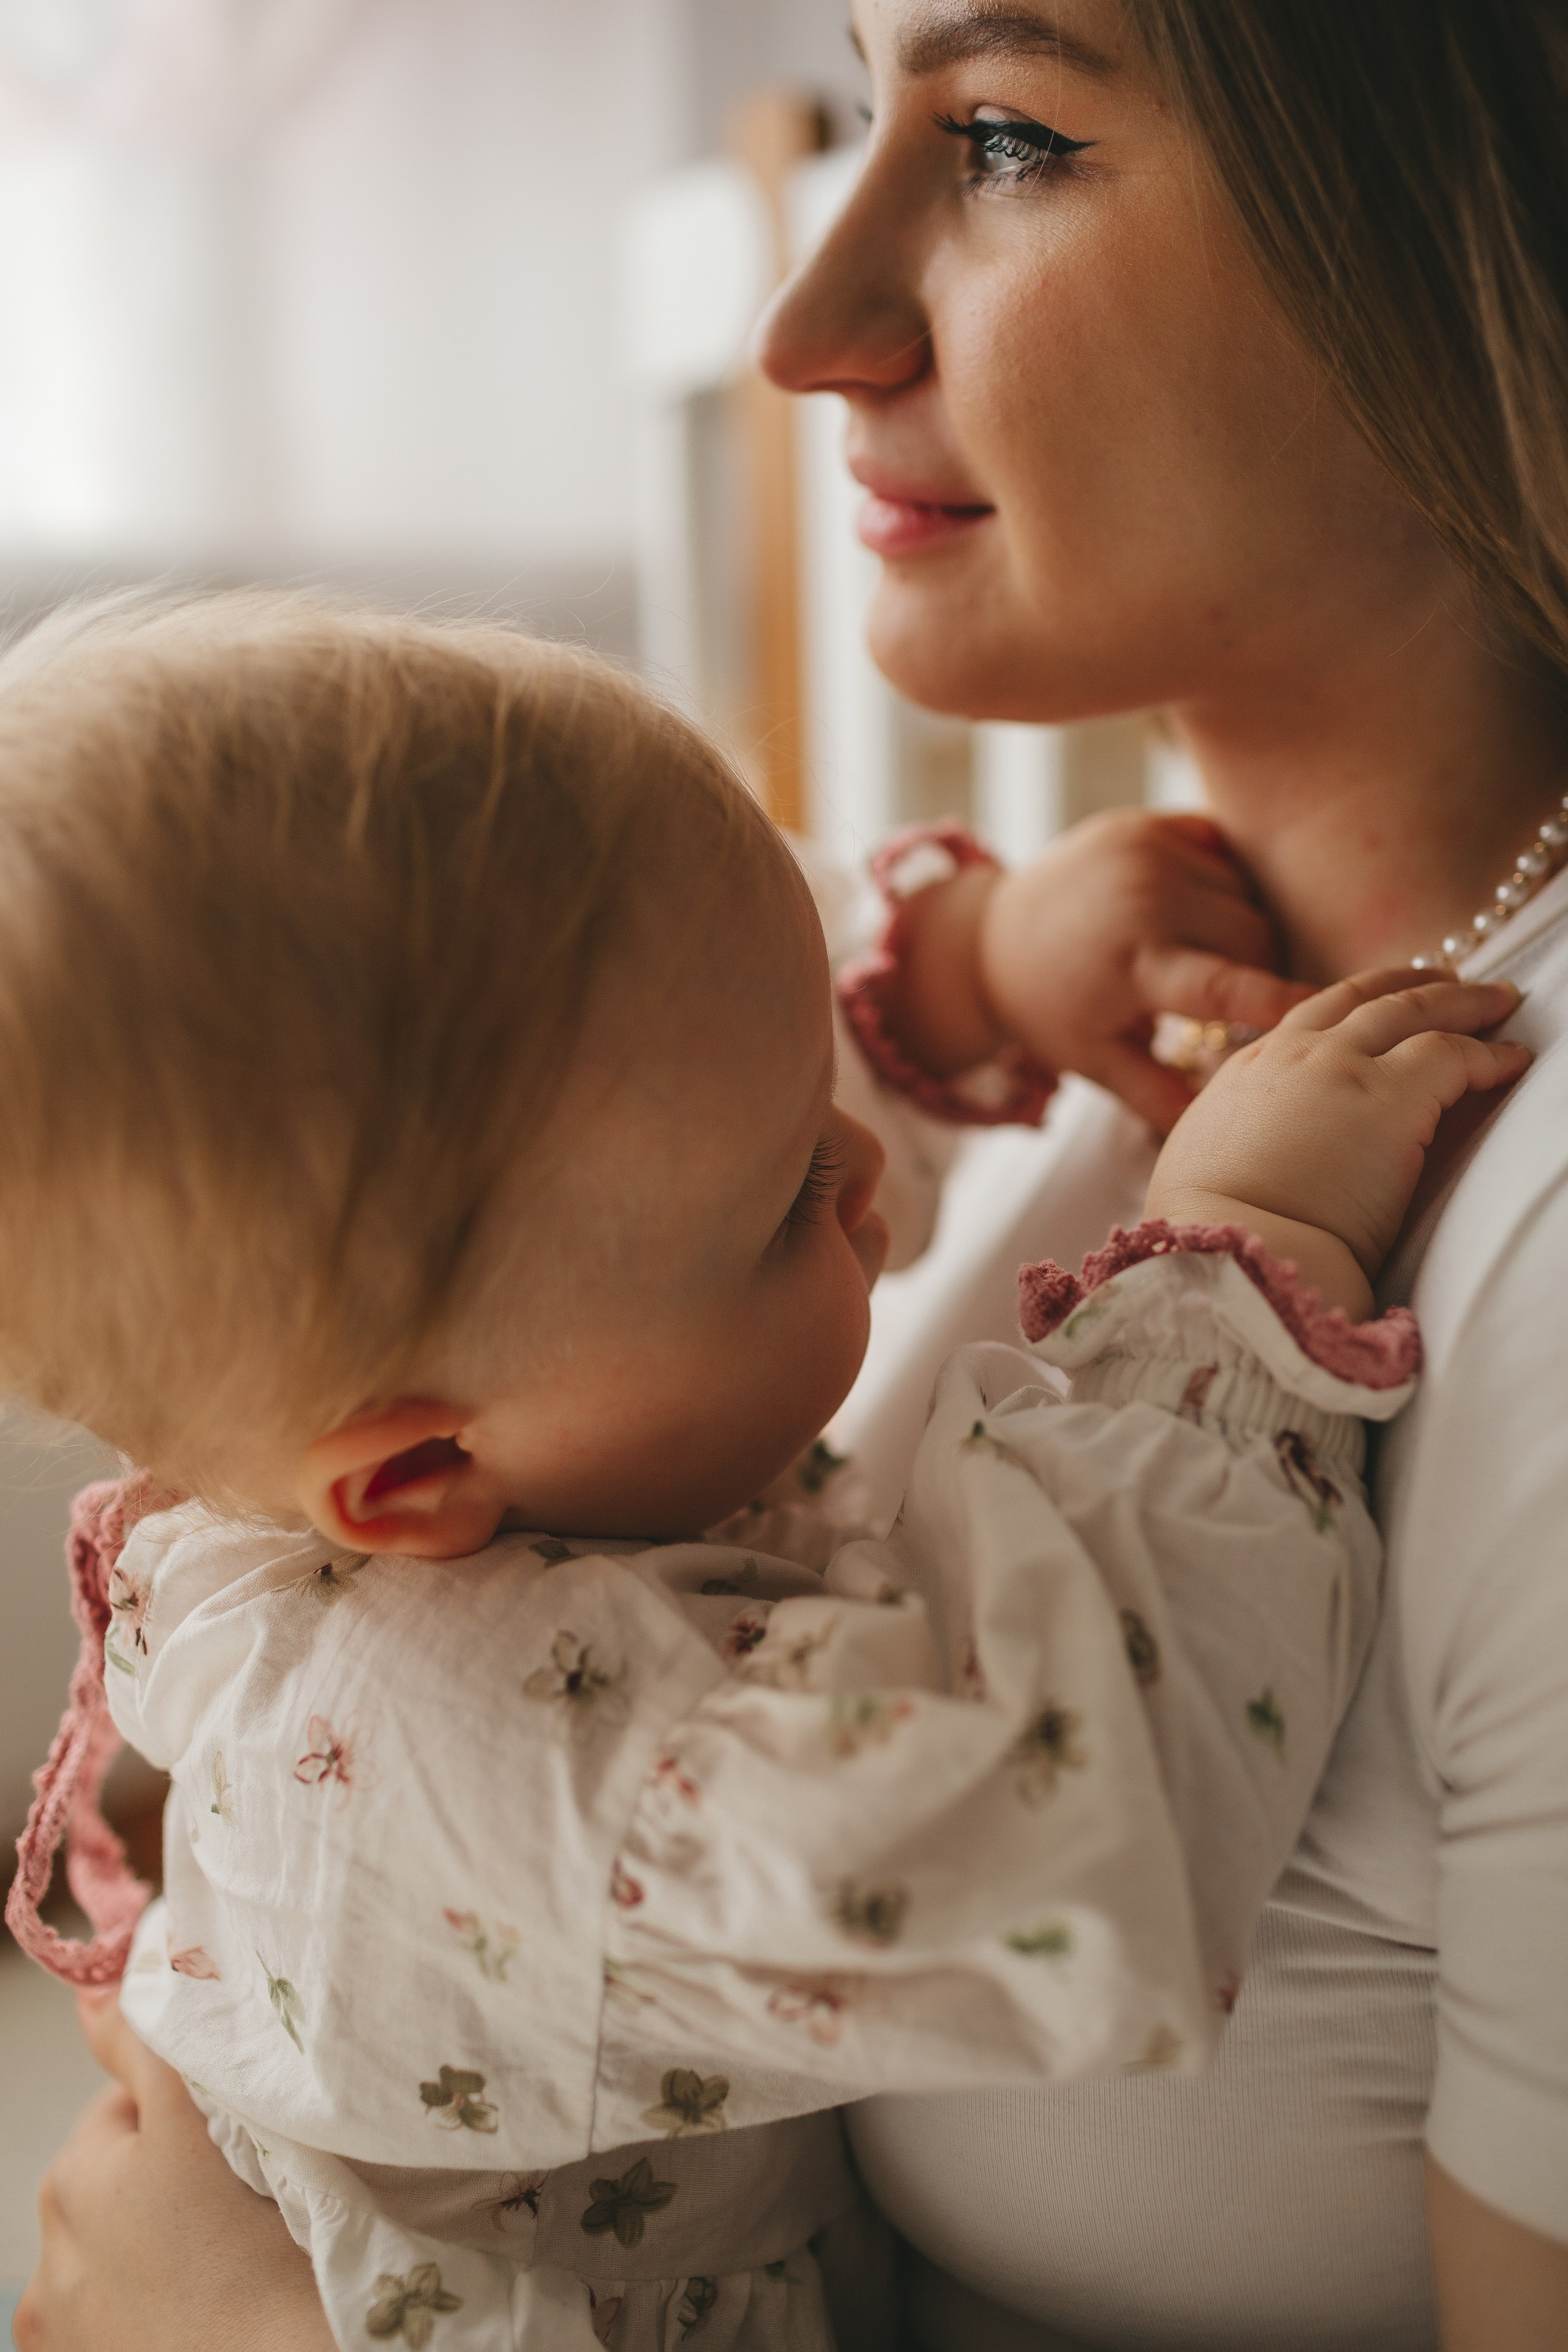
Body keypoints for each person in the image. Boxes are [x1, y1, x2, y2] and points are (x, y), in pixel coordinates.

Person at [17, 0, 1568, 2346]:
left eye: (1007, 135)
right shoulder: (503, 1717)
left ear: (1469, 229)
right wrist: (1228, 1272)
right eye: (861, 107)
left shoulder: (460, 1384)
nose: (798, 320)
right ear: (410, 1481)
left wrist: (965, 965)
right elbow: (1036, 1800)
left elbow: (661, 1134)